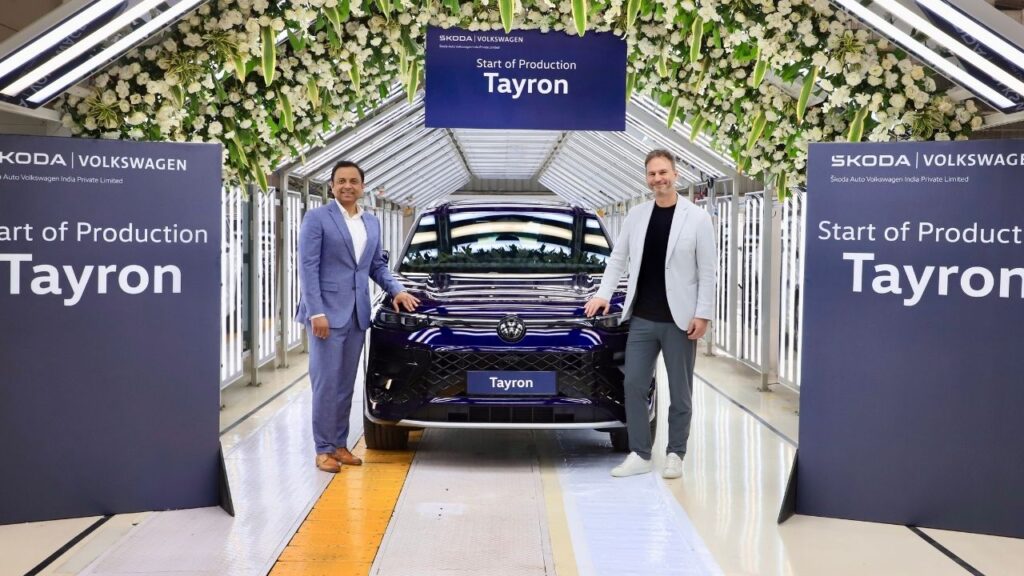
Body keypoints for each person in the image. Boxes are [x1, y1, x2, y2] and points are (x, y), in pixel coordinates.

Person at [584, 150, 716, 479]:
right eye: (652, 174)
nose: (658, 179)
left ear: (675, 175)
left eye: (663, 172)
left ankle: (675, 454)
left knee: (680, 392)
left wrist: (703, 314)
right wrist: (603, 294)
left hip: (680, 320)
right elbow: (618, 258)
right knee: (633, 384)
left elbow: (707, 271)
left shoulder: (697, 218)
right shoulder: (637, 215)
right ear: (647, 178)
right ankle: (640, 453)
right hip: (642, 317)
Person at [295, 160, 420, 473]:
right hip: (325, 314)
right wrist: (316, 311)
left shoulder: (371, 222)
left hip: (356, 314)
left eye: (353, 181)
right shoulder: (317, 218)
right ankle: (323, 449)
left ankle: (339, 445)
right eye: (341, 181)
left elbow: (376, 266)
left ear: (362, 187)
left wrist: (397, 290)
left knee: (345, 384)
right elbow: (307, 268)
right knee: (325, 383)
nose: (347, 186)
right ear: (332, 186)